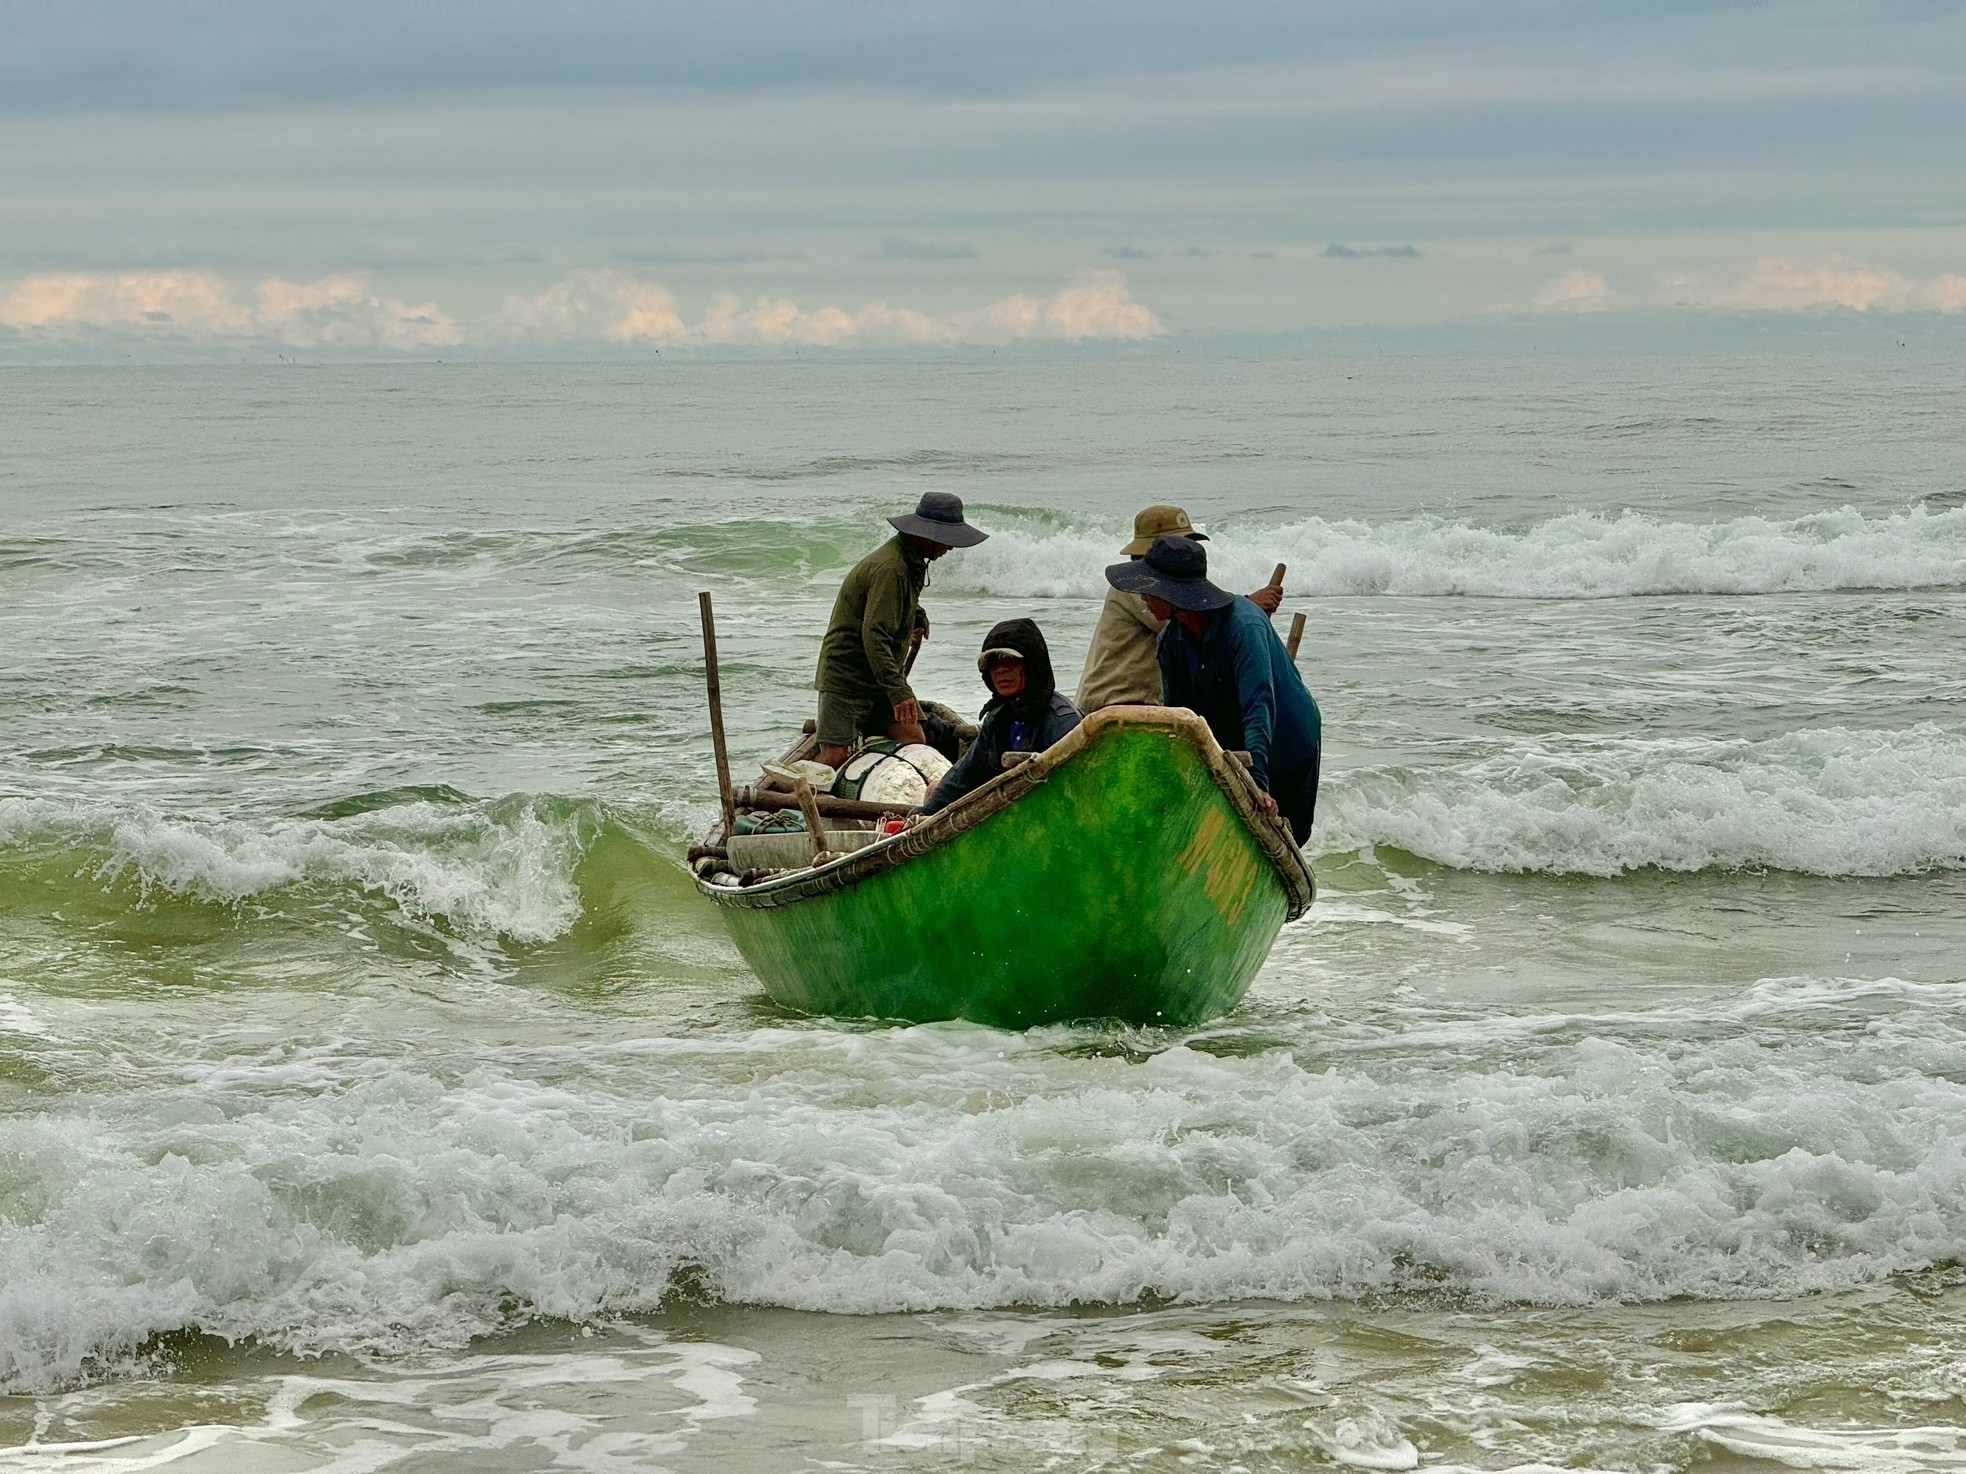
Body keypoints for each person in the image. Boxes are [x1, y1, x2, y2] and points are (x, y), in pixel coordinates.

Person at [1106, 536, 1322, 844]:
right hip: (1233, 735)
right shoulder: (1170, 640)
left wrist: (1258, 784)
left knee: (1288, 839)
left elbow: (1258, 707)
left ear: (1172, 592)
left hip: (1287, 741)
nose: (1142, 597)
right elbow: (1182, 721)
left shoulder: (1244, 627)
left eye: (1149, 589)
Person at [814, 492, 987, 769]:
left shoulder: (911, 561)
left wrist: (917, 614)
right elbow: (874, 635)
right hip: (848, 677)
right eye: (946, 540)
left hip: (881, 676)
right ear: (926, 535)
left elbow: (896, 602)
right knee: (834, 757)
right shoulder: (891, 569)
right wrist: (898, 691)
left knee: (914, 738)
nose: (950, 548)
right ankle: (797, 805)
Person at [1076, 504, 1283, 711]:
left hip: (1140, 704)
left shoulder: (1161, 584)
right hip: (1112, 704)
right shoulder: (1137, 585)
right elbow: (1192, 618)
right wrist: (1248, 604)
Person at [919, 619, 1082, 816]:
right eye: (993, 663)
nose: (1001, 669)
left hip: (1044, 817)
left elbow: (1074, 795)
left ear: (1031, 664)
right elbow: (963, 775)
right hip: (1007, 813)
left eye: (1010, 660)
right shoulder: (998, 719)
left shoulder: (1063, 723)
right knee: (934, 791)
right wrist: (921, 817)